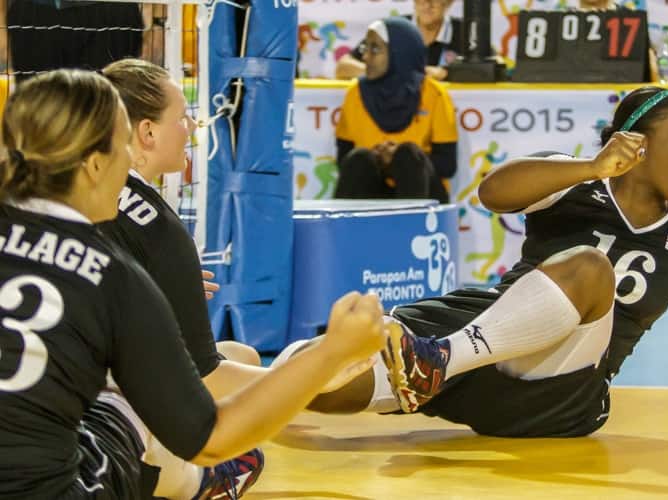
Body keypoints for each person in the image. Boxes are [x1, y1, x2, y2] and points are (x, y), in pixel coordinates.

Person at [277, 86, 668, 438]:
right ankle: (240, 382)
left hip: (564, 394)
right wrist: (591, 166)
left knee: (593, 269)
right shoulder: (573, 179)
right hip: (490, 360)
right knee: (323, 374)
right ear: (636, 140)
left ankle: (435, 360)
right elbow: (493, 192)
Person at [0, 69, 386, 499]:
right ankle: (200, 484)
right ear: (94, 164)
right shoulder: (119, 274)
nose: (127, 163)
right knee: (129, 405)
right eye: (120, 147)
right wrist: (329, 356)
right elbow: (209, 436)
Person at [98, 58, 264, 497]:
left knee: (243, 355)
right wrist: (317, 374)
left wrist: (158, 295)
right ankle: (179, 483)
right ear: (147, 132)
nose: (191, 127)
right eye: (182, 116)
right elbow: (203, 375)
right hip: (99, 420)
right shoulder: (160, 229)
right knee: (246, 447)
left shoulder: (74, 183)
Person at [333, 17, 458, 204]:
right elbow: (344, 160)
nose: (366, 57)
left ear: (400, 53)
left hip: (421, 191)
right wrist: (378, 158)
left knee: (408, 156)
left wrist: (396, 159)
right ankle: (346, 232)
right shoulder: (355, 93)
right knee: (360, 159)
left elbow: (447, 165)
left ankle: (414, 231)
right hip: (372, 190)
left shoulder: (433, 94)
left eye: (375, 49)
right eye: (365, 48)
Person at [6, 0, 143, 83]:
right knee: (39, 110)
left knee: (107, 107)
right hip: (37, 12)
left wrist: (158, 20)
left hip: (112, 11)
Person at [335, 0, 460, 81]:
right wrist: (385, 73)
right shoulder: (391, 28)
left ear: (448, 3)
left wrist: (446, 73)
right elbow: (343, 66)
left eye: (435, 0)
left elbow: (478, 73)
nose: (427, 5)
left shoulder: (465, 32)